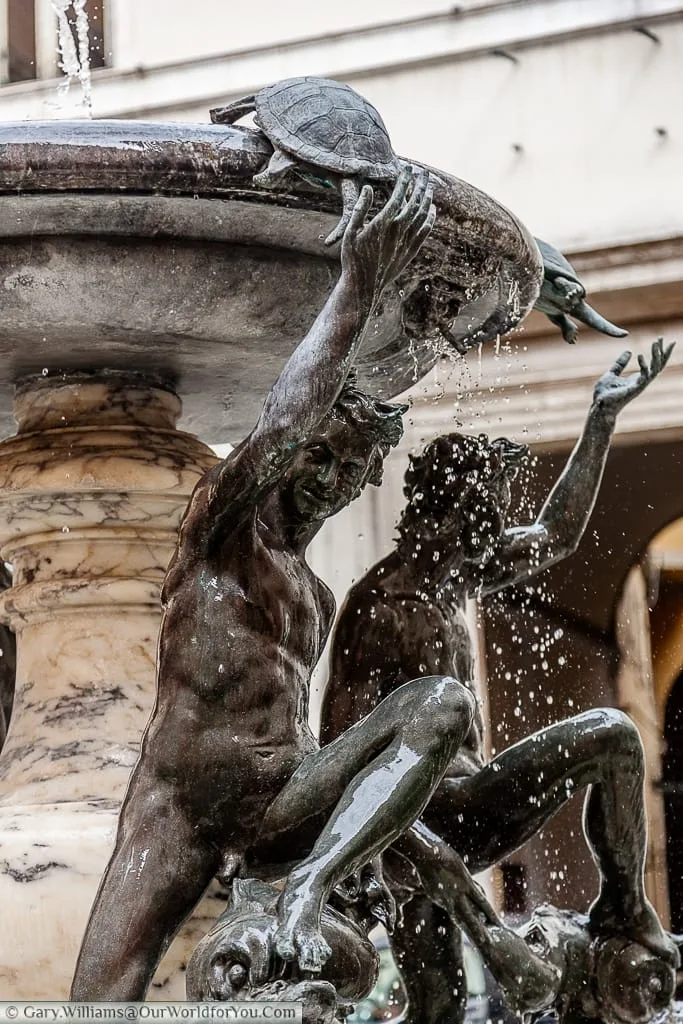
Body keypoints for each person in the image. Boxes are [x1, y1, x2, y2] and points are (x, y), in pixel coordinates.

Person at [71, 169, 483, 1001]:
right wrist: (354, 290)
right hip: (177, 812)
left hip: (280, 808)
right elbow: (287, 415)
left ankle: (310, 884)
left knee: (439, 703)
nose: (327, 478)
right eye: (318, 456)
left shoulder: (313, 591)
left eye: (349, 468)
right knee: (92, 1008)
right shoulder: (219, 526)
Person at [321, 339, 678, 1024]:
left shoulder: (455, 572)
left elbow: (557, 534)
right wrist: (399, 860)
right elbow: (346, 762)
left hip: (456, 813)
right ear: (456, 514)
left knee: (440, 1003)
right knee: (437, 1001)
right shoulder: (386, 608)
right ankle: (624, 906)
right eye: (493, 505)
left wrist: (598, 422)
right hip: (420, 827)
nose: (502, 522)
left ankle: (623, 905)